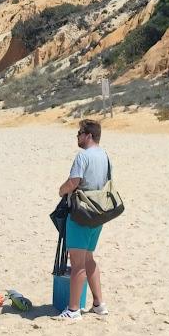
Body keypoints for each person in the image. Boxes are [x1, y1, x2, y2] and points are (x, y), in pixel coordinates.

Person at [56, 120, 110, 322]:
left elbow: (73, 182)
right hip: (99, 212)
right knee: (88, 259)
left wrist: (61, 190)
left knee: (77, 263)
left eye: (79, 133)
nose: (77, 136)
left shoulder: (83, 156)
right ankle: (99, 304)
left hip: (81, 213)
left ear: (88, 135)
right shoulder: (105, 155)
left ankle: (73, 309)